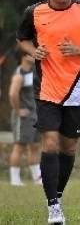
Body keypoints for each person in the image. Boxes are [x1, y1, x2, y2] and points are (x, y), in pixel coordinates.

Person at [16, 0, 80, 224]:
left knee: (68, 149)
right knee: (51, 144)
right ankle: (53, 206)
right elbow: (22, 39)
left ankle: (56, 194)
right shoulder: (34, 12)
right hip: (47, 90)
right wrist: (34, 51)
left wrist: (79, 51)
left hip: (76, 91)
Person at [8, 50, 41, 186]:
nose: (34, 55)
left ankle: (37, 178)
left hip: (35, 115)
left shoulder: (33, 72)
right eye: (30, 53)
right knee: (19, 147)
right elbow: (12, 94)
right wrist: (18, 110)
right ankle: (15, 180)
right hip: (23, 117)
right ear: (23, 56)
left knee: (34, 146)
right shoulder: (18, 75)